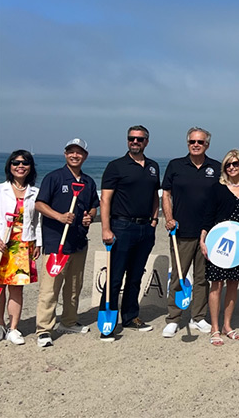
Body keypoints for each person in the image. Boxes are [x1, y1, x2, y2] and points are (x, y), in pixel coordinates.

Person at [34, 139, 99, 348]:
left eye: (79, 153)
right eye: (71, 152)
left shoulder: (88, 182)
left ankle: (69, 321)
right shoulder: (54, 178)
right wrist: (59, 217)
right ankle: (44, 329)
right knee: (50, 287)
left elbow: (93, 207)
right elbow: (39, 204)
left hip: (78, 242)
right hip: (56, 243)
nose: (75, 155)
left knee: (73, 287)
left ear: (85, 156)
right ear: (65, 154)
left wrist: (89, 216)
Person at [99, 125, 160, 341]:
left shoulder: (153, 167)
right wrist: (105, 228)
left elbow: (155, 195)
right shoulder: (115, 166)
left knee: (135, 276)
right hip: (121, 227)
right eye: (131, 139)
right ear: (127, 141)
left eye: (139, 139)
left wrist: (154, 220)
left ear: (146, 141)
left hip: (145, 228)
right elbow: (105, 199)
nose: (135, 142)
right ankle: (108, 323)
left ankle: (131, 316)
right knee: (115, 277)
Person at [160, 127, 221, 338]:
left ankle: (198, 317)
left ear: (207, 145)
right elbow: (166, 194)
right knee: (178, 275)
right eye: (192, 141)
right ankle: (173, 318)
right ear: (188, 143)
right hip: (181, 231)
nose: (196, 145)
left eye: (200, 142)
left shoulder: (216, 167)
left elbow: (223, 197)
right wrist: (168, 218)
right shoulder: (176, 165)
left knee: (202, 278)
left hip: (208, 234)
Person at [200, 150, 239, 346]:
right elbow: (208, 216)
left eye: (235, 164)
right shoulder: (216, 188)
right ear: (224, 168)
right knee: (216, 284)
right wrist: (203, 240)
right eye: (228, 164)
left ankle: (227, 326)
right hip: (218, 242)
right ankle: (214, 328)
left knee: (233, 284)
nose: (232, 167)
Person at [0, 150, 42, 345]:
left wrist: (38, 242)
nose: (20, 166)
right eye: (15, 162)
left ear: (30, 167)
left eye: (24, 163)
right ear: (10, 166)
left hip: (22, 246)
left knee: (16, 289)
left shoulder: (35, 193)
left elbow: (38, 222)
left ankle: (13, 328)